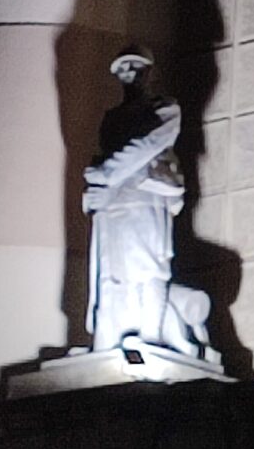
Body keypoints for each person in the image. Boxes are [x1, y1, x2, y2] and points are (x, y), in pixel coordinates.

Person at [85, 49, 216, 361]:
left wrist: (106, 173)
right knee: (114, 272)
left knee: (149, 269)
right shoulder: (112, 118)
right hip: (114, 203)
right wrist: (96, 188)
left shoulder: (165, 108)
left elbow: (148, 144)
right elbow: (106, 153)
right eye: (122, 68)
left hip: (147, 197)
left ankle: (151, 336)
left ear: (149, 71)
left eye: (135, 66)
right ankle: (109, 337)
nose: (129, 72)